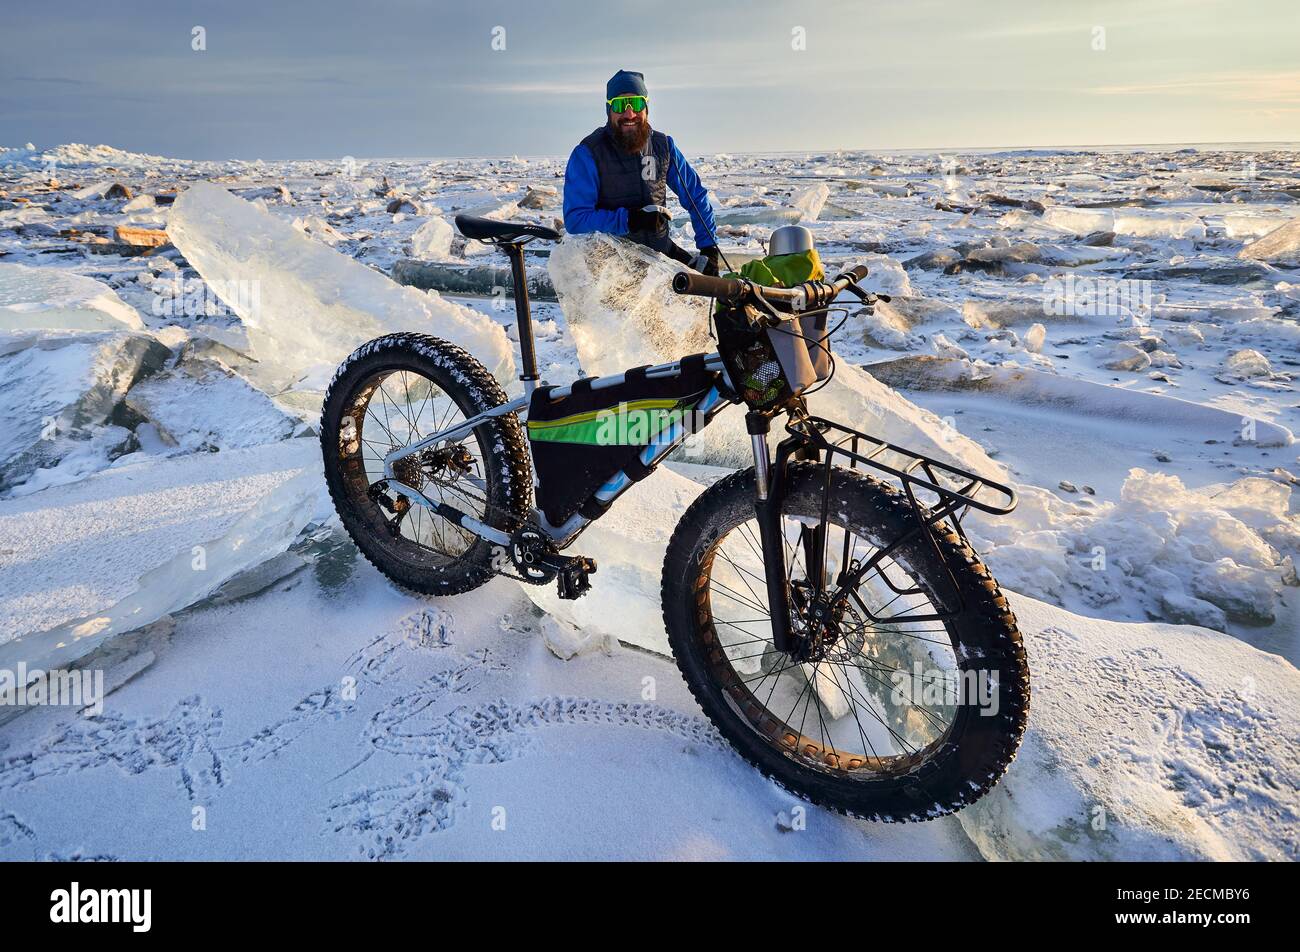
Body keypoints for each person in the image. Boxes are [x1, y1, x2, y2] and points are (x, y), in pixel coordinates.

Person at [563, 69, 720, 275]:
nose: (629, 114)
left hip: (659, 253)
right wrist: (628, 220)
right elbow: (576, 219)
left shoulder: (663, 146)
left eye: (636, 104)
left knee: (712, 292)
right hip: (612, 267)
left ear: (646, 107)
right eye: (620, 105)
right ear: (609, 110)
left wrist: (709, 247)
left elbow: (695, 197)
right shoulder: (588, 153)